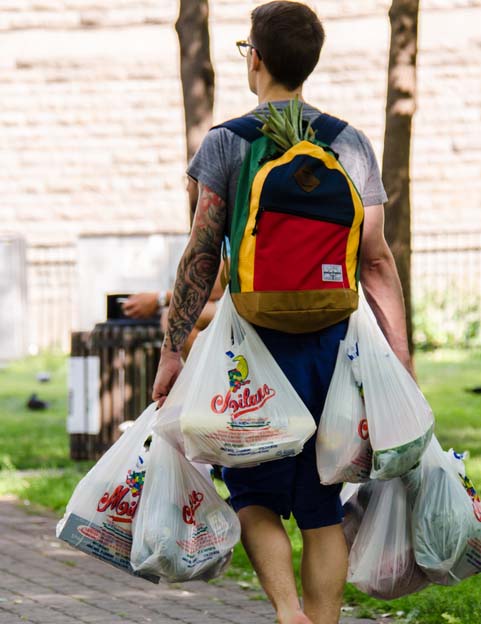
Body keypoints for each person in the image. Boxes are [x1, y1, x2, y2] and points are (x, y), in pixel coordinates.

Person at [152, 2, 413, 623]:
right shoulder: (347, 142)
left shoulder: (227, 143)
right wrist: (398, 358)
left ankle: (288, 615)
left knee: (253, 496)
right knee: (322, 503)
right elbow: (375, 260)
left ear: (256, 60)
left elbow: (201, 257)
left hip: (252, 351)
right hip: (332, 347)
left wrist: (173, 351)